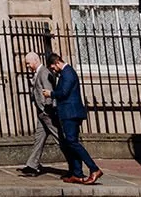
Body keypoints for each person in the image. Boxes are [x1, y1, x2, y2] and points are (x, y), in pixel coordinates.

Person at [47, 48, 100, 186]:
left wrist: (50, 94)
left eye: (53, 67)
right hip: (69, 112)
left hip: (71, 113)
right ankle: (77, 173)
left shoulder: (68, 73)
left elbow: (63, 92)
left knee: (72, 142)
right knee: (71, 142)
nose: (53, 70)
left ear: (57, 62)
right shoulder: (65, 73)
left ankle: (94, 169)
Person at [18, 51, 59, 177]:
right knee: (39, 139)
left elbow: (49, 92)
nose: (28, 66)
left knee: (60, 138)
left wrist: (47, 109)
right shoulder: (38, 73)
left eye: (28, 63)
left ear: (35, 60)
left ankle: (74, 164)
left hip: (46, 112)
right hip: (41, 112)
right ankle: (32, 165)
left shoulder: (44, 73)